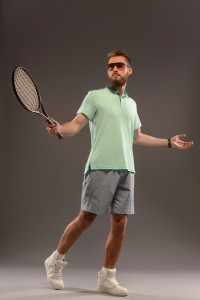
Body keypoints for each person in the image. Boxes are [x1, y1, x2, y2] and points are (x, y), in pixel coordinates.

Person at [44, 49, 193, 297]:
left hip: (127, 170)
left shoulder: (132, 103)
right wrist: (60, 127)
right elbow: (75, 125)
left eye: (120, 66)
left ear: (129, 70)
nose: (115, 69)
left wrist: (169, 142)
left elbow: (137, 137)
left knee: (120, 224)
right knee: (86, 218)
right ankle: (55, 261)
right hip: (100, 167)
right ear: (108, 70)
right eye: (111, 66)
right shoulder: (94, 97)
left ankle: (107, 277)